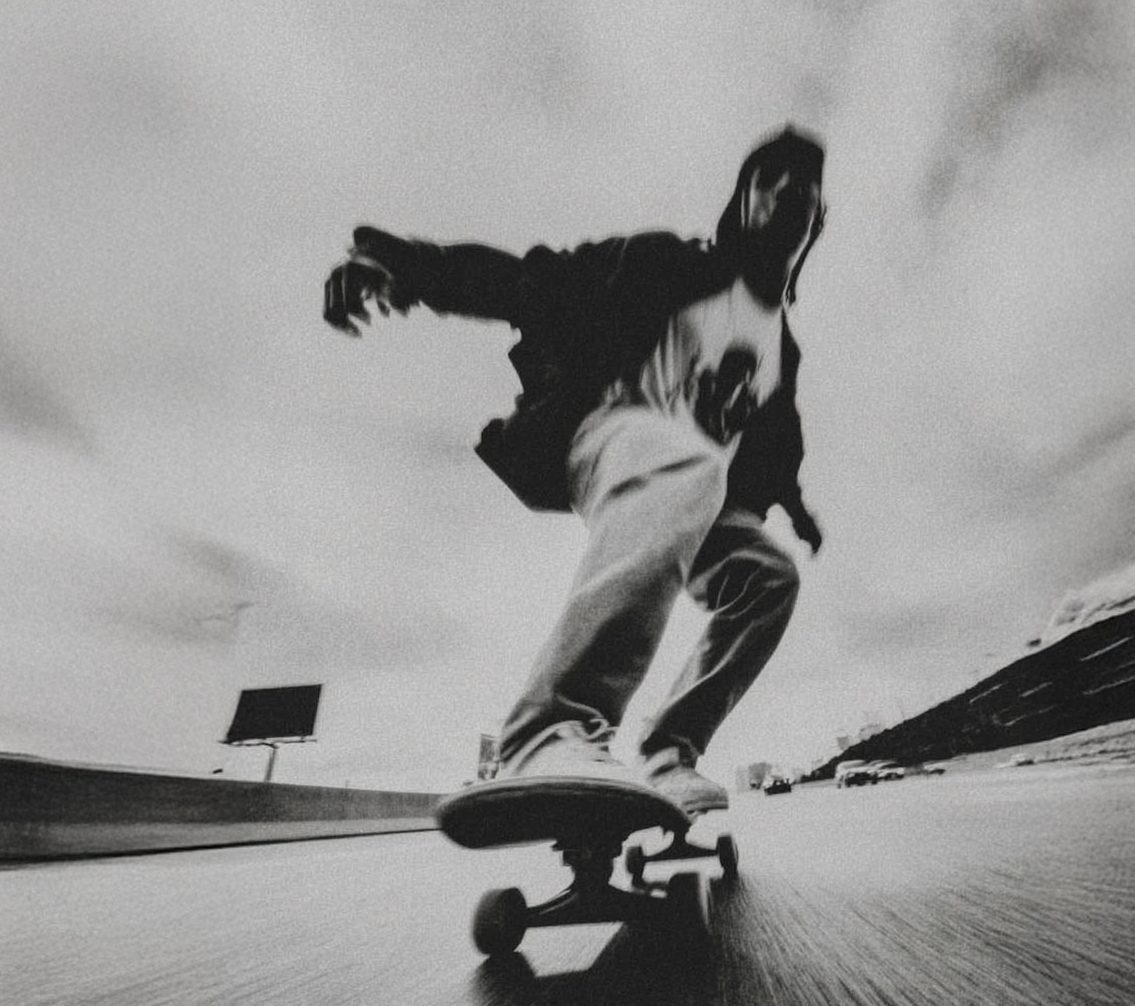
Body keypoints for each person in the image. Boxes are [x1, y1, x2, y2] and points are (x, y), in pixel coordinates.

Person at [323, 126, 826, 815]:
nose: (790, 190)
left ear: (817, 221)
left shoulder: (782, 352)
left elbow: (778, 444)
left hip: (694, 491)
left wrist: (796, 509)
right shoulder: (670, 265)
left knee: (770, 578)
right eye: (770, 179)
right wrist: (404, 267)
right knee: (689, 460)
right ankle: (549, 729)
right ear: (742, 202)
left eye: (806, 185)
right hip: (610, 436)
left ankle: (669, 753)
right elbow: (539, 282)